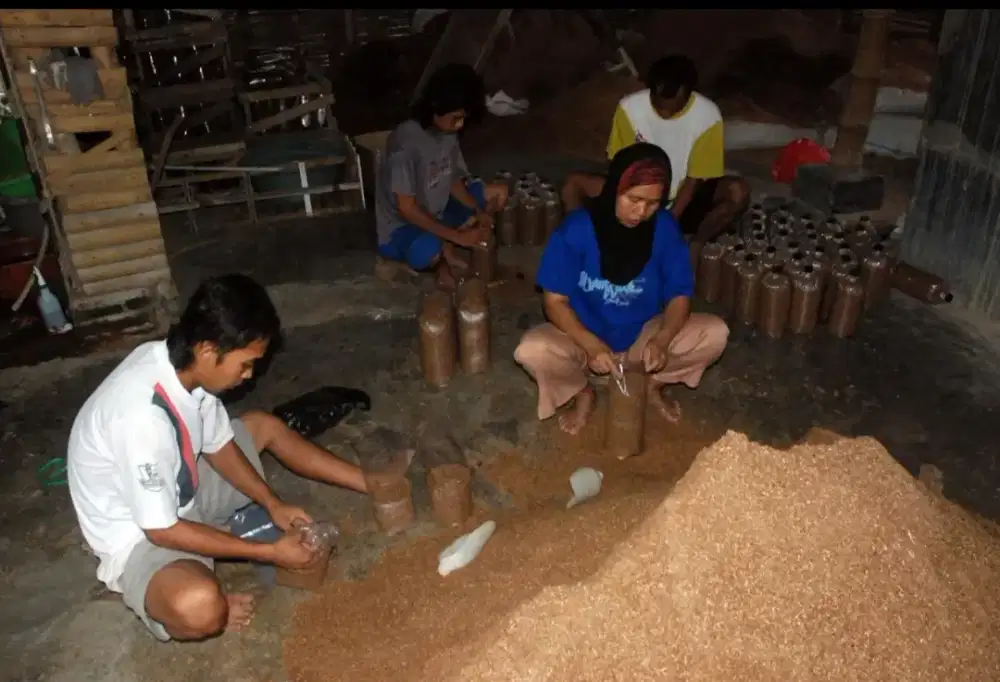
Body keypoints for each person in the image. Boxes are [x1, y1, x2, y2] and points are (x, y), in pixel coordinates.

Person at [67, 274, 369, 642]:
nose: (249, 375)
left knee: (261, 426)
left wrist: (271, 504)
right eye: (245, 364)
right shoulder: (140, 417)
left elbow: (219, 445)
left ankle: (373, 482)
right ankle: (186, 590)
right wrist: (269, 551)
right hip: (140, 535)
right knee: (200, 606)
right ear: (208, 351)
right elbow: (162, 529)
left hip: (183, 485)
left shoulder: (182, 370)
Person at [516, 143, 729, 435]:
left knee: (714, 333)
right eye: (633, 198)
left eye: (653, 203)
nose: (641, 212)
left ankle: (651, 386)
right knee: (533, 350)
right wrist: (590, 344)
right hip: (583, 337)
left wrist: (663, 340)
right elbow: (554, 301)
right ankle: (582, 393)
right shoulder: (576, 230)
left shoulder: (664, 228)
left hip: (643, 337)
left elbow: (679, 295)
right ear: (615, 187)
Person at [560, 54, 750, 245]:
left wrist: (669, 220)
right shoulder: (630, 108)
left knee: (737, 191)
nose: (666, 113)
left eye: (674, 107)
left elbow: (695, 179)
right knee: (573, 184)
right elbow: (618, 164)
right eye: (660, 107)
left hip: (685, 198)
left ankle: (695, 246)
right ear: (650, 90)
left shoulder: (708, 116)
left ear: (689, 93)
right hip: (636, 192)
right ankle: (580, 245)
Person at [375, 62, 510, 290]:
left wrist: (477, 210)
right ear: (435, 107)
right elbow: (408, 209)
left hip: (438, 209)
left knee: (498, 193)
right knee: (427, 250)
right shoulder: (405, 145)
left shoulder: (447, 132)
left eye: (464, 118)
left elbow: (452, 178)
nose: (460, 125)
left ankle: (446, 242)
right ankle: (440, 256)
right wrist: (457, 237)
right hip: (402, 226)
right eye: (456, 117)